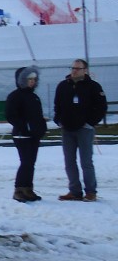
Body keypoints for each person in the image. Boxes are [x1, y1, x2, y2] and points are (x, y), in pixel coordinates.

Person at [52, 58, 107, 201]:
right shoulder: (63, 86)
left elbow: (101, 107)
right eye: (73, 68)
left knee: (86, 161)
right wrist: (58, 120)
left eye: (77, 68)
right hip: (67, 129)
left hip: (85, 129)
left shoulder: (93, 87)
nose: (74, 70)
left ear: (85, 70)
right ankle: (74, 191)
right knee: (69, 161)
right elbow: (57, 105)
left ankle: (91, 191)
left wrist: (90, 122)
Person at [5, 65, 46, 202]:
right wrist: (24, 126)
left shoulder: (34, 97)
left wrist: (41, 127)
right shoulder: (15, 96)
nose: (32, 81)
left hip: (34, 135)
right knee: (26, 162)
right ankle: (19, 189)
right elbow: (11, 115)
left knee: (31, 162)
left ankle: (28, 188)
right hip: (22, 135)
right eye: (29, 79)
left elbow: (37, 115)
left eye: (34, 79)